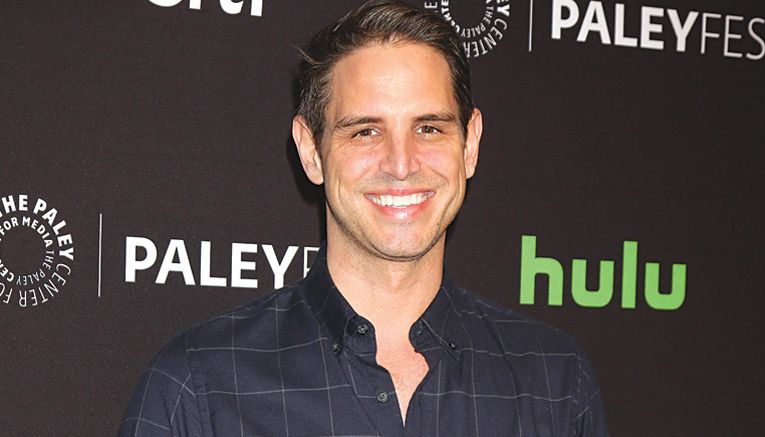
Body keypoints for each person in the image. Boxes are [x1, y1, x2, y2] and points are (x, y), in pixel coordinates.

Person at [119, 1, 608, 436]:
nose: (401, 164)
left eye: (429, 128)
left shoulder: (555, 382)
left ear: (470, 144)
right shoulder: (200, 387)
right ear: (311, 151)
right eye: (365, 132)